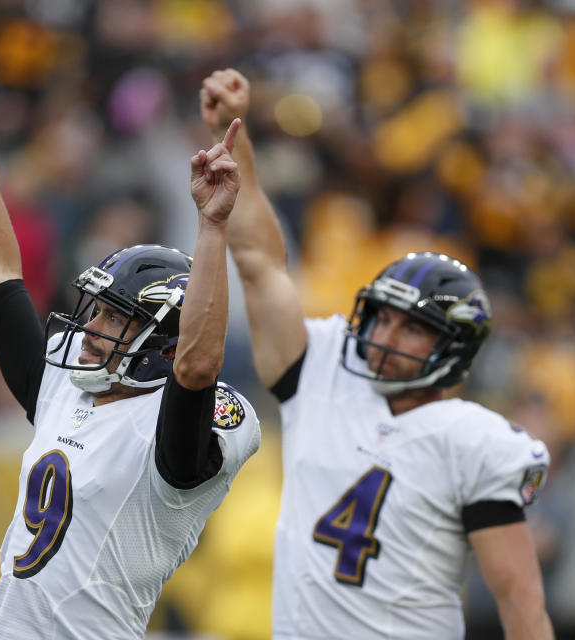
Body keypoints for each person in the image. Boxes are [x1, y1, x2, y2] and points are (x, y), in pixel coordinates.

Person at [200, 69, 553, 639]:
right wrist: (232, 143)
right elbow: (261, 265)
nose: (385, 337)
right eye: (382, 317)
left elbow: (520, 601)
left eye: (411, 328)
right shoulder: (324, 371)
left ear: (453, 346)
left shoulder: (475, 441)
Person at [0, 30, 260, 639]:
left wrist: (212, 229)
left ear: (162, 337)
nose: (90, 327)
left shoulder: (175, 429)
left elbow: (195, 370)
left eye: (114, 317)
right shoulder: (67, 385)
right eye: (95, 311)